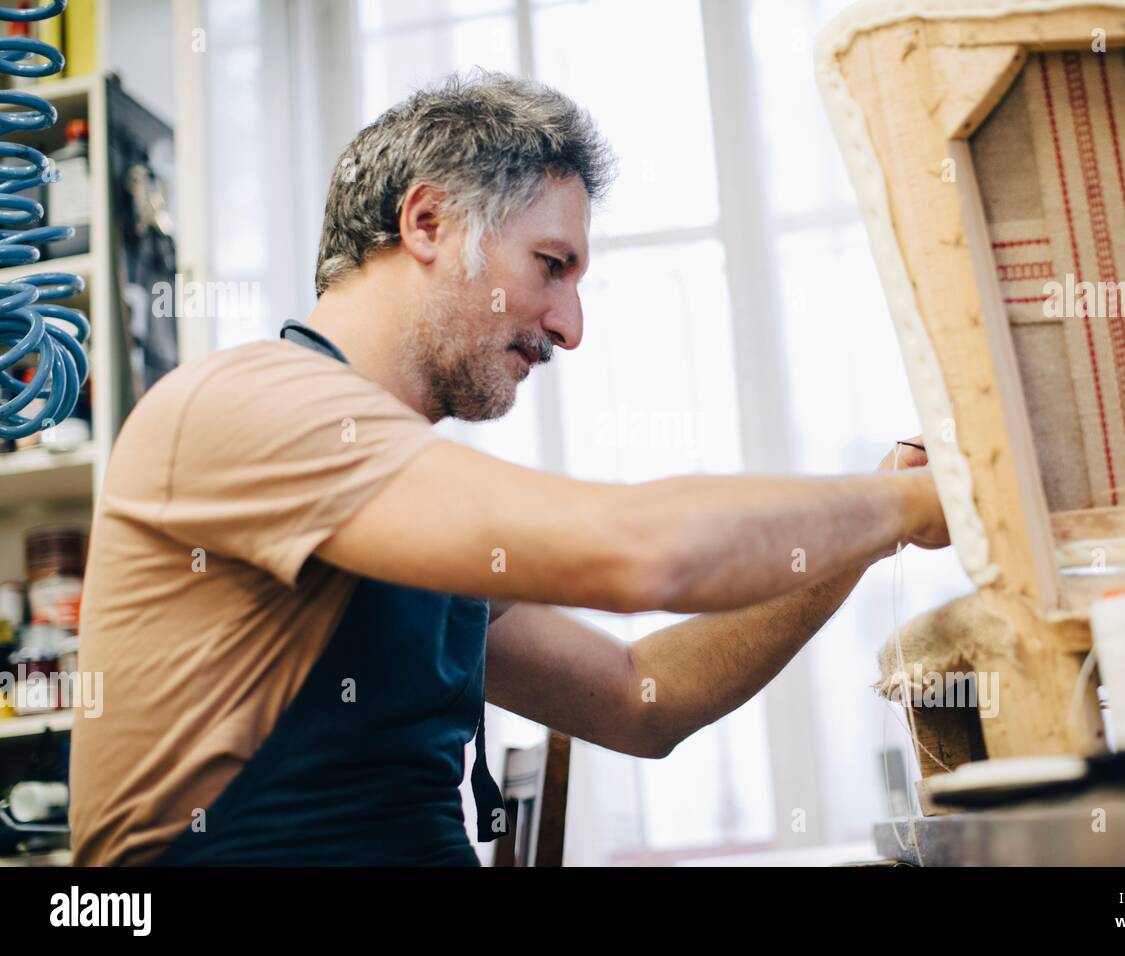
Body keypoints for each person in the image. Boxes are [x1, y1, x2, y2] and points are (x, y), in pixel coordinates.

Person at [70, 72, 949, 866]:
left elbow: (643, 697)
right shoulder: (250, 410)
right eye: (552, 266)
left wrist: (866, 538)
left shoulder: (400, 486)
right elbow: (642, 551)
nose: (570, 327)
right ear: (427, 224)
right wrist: (904, 505)